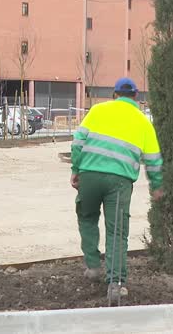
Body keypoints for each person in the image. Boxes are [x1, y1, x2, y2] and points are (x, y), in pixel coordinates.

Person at [70, 77, 163, 300]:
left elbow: (77, 142)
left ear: (114, 94)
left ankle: (92, 266)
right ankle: (115, 283)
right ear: (136, 97)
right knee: (117, 232)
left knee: (87, 217)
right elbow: (153, 159)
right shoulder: (143, 122)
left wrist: (76, 169)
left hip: (89, 175)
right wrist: (156, 187)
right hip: (119, 183)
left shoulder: (97, 110)